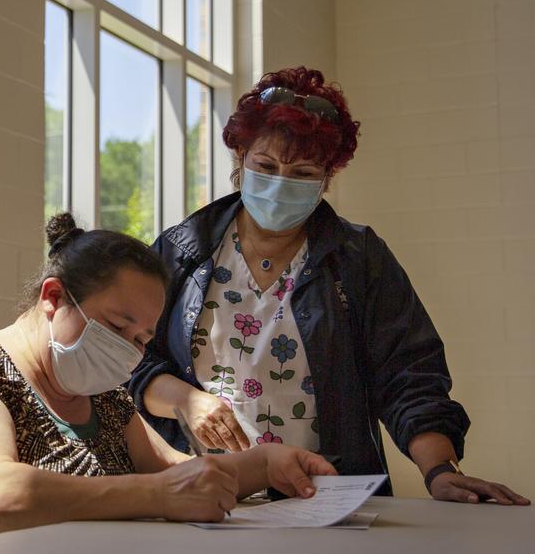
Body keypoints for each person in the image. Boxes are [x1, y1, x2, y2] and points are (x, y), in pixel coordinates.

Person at [128, 65, 529, 506]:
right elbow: (130, 360)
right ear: (240, 156)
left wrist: (440, 471)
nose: (280, 185)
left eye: (302, 173)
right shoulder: (182, 250)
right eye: (265, 166)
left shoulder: (357, 258)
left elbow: (409, 375)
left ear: (327, 178)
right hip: (203, 491)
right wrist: (186, 400)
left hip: (324, 496)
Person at [0, 214, 336, 554]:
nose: (127, 349)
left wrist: (267, 463)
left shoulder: (103, 398)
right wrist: (158, 495)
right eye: (116, 326)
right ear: (54, 297)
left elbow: (176, 471)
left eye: (141, 339)